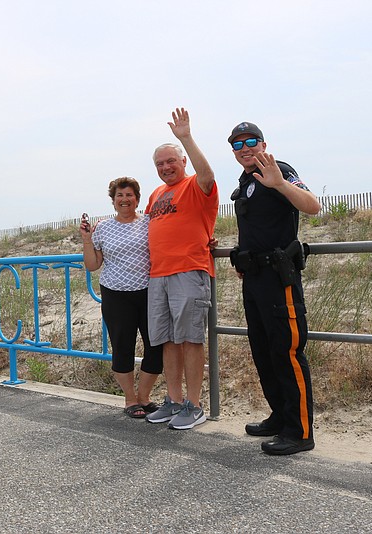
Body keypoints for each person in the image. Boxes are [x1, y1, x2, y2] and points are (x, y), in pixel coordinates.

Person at [227, 121, 321, 455]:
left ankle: (300, 432)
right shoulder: (244, 182)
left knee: (287, 351)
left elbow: (312, 205)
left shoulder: (279, 170)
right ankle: (280, 418)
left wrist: (280, 184)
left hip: (279, 279)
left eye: (251, 141)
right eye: (238, 145)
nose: (245, 148)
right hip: (254, 280)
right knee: (264, 351)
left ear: (264, 144)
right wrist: (240, 257)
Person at [144, 108, 218, 430]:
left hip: (189, 270)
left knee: (190, 339)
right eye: (159, 164)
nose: (165, 167)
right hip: (158, 275)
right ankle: (174, 400)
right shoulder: (156, 194)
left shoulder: (196, 186)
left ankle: (195, 405)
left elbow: (208, 175)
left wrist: (185, 138)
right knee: (167, 341)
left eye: (171, 161)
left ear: (182, 162)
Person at [80, 177, 164, 418]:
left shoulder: (150, 222)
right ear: (113, 200)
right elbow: (93, 264)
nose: (125, 200)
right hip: (116, 295)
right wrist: (86, 239)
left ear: (137, 198)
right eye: (120, 196)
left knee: (156, 346)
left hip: (150, 292)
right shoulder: (103, 228)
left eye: (129, 195)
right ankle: (130, 399)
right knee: (122, 346)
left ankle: (145, 397)